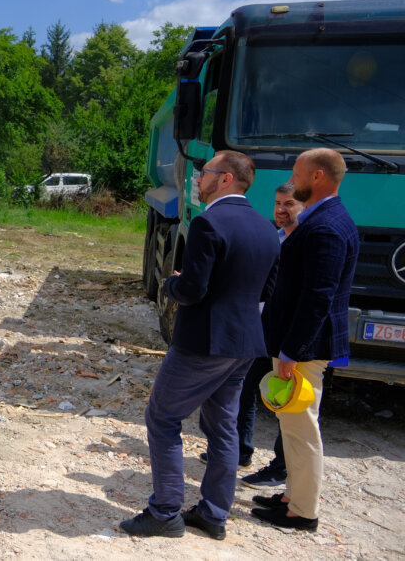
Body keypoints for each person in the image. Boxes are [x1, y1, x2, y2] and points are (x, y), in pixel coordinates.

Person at [120, 151, 280, 540]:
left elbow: (192, 290)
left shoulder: (209, 223)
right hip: (244, 343)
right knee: (223, 427)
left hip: (204, 343)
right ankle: (213, 513)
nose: (198, 179)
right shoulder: (266, 227)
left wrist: (171, 283)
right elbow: (268, 290)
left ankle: (165, 511)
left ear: (225, 179)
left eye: (205, 172)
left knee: (162, 418)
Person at [252, 148, 359, 532]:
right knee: (292, 427)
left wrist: (291, 351)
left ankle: (303, 512)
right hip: (302, 346)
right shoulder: (323, 218)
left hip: (306, 349)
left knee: (302, 430)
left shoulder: (326, 226)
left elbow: (319, 296)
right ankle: (290, 498)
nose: (291, 179)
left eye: (296, 173)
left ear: (316, 177)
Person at [199, 183, 303, 485]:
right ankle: (242, 451)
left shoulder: (304, 242)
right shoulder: (273, 236)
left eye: (289, 204)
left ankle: (282, 467)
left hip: (288, 336)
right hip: (259, 330)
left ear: (303, 207)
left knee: (288, 405)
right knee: (245, 392)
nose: (282, 210)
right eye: (278, 203)